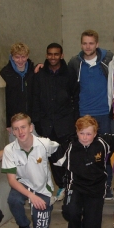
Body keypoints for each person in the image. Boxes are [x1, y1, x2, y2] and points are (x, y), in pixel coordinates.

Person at [68, 30, 114, 200]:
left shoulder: (109, 58)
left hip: (103, 114)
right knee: (84, 153)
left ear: (97, 43)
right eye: (85, 43)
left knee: (104, 152)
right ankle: (83, 184)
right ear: (81, 44)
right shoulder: (74, 63)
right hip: (83, 115)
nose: (88, 46)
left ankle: (106, 184)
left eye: (91, 43)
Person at [2, 113, 59, 228]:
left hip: (42, 187)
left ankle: (47, 204)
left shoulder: (45, 143)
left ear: (31, 128)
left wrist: (61, 182)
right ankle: (23, 225)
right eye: (16, 128)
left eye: (23, 127)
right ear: (12, 131)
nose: (20, 131)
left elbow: (59, 151)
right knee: (13, 199)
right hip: (23, 184)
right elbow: (12, 180)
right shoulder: (9, 150)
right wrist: (31, 196)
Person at [32, 43, 79, 202]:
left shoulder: (70, 74)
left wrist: (75, 121)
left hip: (65, 124)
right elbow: (35, 100)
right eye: (50, 54)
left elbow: (76, 97)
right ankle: (61, 186)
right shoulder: (39, 75)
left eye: (56, 54)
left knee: (67, 157)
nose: (53, 57)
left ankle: (69, 186)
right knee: (53, 159)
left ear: (62, 55)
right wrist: (38, 123)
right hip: (46, 125)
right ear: (46, 55)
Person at [0, 42, 38, 143]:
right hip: (14, 122)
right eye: (17, 57)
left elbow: (36, 97)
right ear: (12, 57)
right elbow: (3, 101)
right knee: (16, 149)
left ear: (27, 56)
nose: (20, 60)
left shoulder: (33, 72)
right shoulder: (5, 74)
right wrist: (8, 123)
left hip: (30, 120)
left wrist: (35, 119)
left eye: (23, 57)